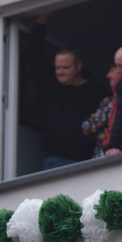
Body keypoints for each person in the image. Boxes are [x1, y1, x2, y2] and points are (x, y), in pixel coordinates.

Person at [27, 15, 110, 169]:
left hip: (89, 160)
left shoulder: (97, 92)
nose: (61, 72)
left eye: (66, 68)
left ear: (78, 67)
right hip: (55, 160)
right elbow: (35, 55)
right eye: (58, 68)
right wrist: (41, 22)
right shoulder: (51, 87)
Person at [82, 64, 122, 157]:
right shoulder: (108, 102)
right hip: (104, 157)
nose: (108, 75)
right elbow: (86, 127)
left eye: (112, 70)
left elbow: (87, 126)